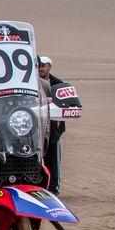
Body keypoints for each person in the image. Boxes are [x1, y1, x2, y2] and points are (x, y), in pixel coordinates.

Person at [37, 55, 67, 194]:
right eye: (39, 66)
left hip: (52, 128)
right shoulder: (31, 82)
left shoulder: (58, 84)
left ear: (49, 66)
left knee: (53, 159)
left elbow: (63, 104)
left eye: (43, 66)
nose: (40, 69)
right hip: (35, 128)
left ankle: (53, 188)